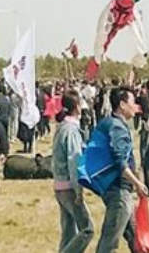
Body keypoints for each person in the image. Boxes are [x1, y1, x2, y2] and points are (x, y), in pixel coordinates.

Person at [85, 87, 149, 253]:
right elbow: (119, 161)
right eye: (132, 102)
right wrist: (137, 183)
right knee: (109, 241)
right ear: (122, 104)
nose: (136, 106)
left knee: (134, 235)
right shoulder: (117, 127)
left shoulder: (108, 122)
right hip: (119, 189)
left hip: (112, 187)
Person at [53, 90, 94, 253]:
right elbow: (74, 160)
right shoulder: (71, 130)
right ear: (77, 107)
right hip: (69, 186)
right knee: (87, 230)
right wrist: (79, 189)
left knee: (69, 232)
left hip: (59, 185)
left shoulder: (62, 127)